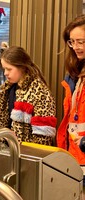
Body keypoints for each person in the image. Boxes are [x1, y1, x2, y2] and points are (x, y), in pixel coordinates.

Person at [0, 46, 57, 145]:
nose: (5, 73)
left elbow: (43, 138)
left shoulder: (40, 92)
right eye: (4, 69)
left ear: (22, 67)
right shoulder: (7, 89)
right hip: (10, 149)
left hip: (27, 155)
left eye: (9, 69)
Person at [57, 14, 85, 165]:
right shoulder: (73, 75)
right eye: (72, 42)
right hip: (73, 151)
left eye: (81, 42)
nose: (75, 47)